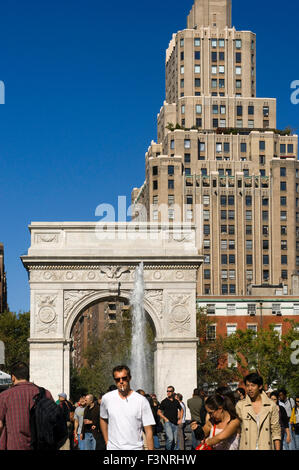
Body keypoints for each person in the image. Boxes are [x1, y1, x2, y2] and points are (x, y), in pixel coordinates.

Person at [0, 362, 54, 450]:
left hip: (15, 445)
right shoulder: (45, 393)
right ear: (28, 375)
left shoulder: (5, 396)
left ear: (13, 377)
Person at [100, 365, 155, 450]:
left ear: (129, 378)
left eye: (124, 378)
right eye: (117, 379)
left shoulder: (141, 400)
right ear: (114, 381)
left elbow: (148, 430)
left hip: (135, 448)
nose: (121, 381)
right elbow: (103, 418)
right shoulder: (107, 398)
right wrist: (107, 441)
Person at [236, 373, 281, 450]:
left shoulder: (271, 405)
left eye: (253, 385)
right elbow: (236, 429)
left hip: (265, 446)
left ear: (260, 386)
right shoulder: (240, 406)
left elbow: (276, 431)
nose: (249, 389)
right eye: (247, 385)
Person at [158, 385, 182, 450]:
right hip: (168, 423)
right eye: (167, 391)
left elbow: (181, 409)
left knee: (176, 440)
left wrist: (180, 418)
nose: (168, 392)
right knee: (170, 439)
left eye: (170, 391)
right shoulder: (164, 401)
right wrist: (165, 418)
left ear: (173, 392)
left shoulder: (176, 401)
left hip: (175, 423)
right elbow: (159, 412)